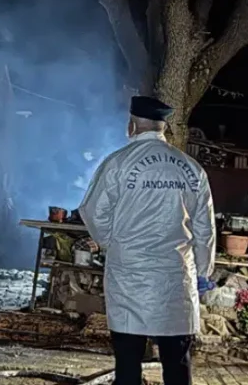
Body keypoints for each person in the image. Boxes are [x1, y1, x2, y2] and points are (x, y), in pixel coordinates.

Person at [79, 95, 215, 385]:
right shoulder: (191, 168)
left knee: (128, 361)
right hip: (175, 277)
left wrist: (111, 243)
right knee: (177, 362)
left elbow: (93, 211)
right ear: (163, 127)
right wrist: (203, 271)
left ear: (132, 125)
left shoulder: (117, 163)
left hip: (130, 276)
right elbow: (205, 228)